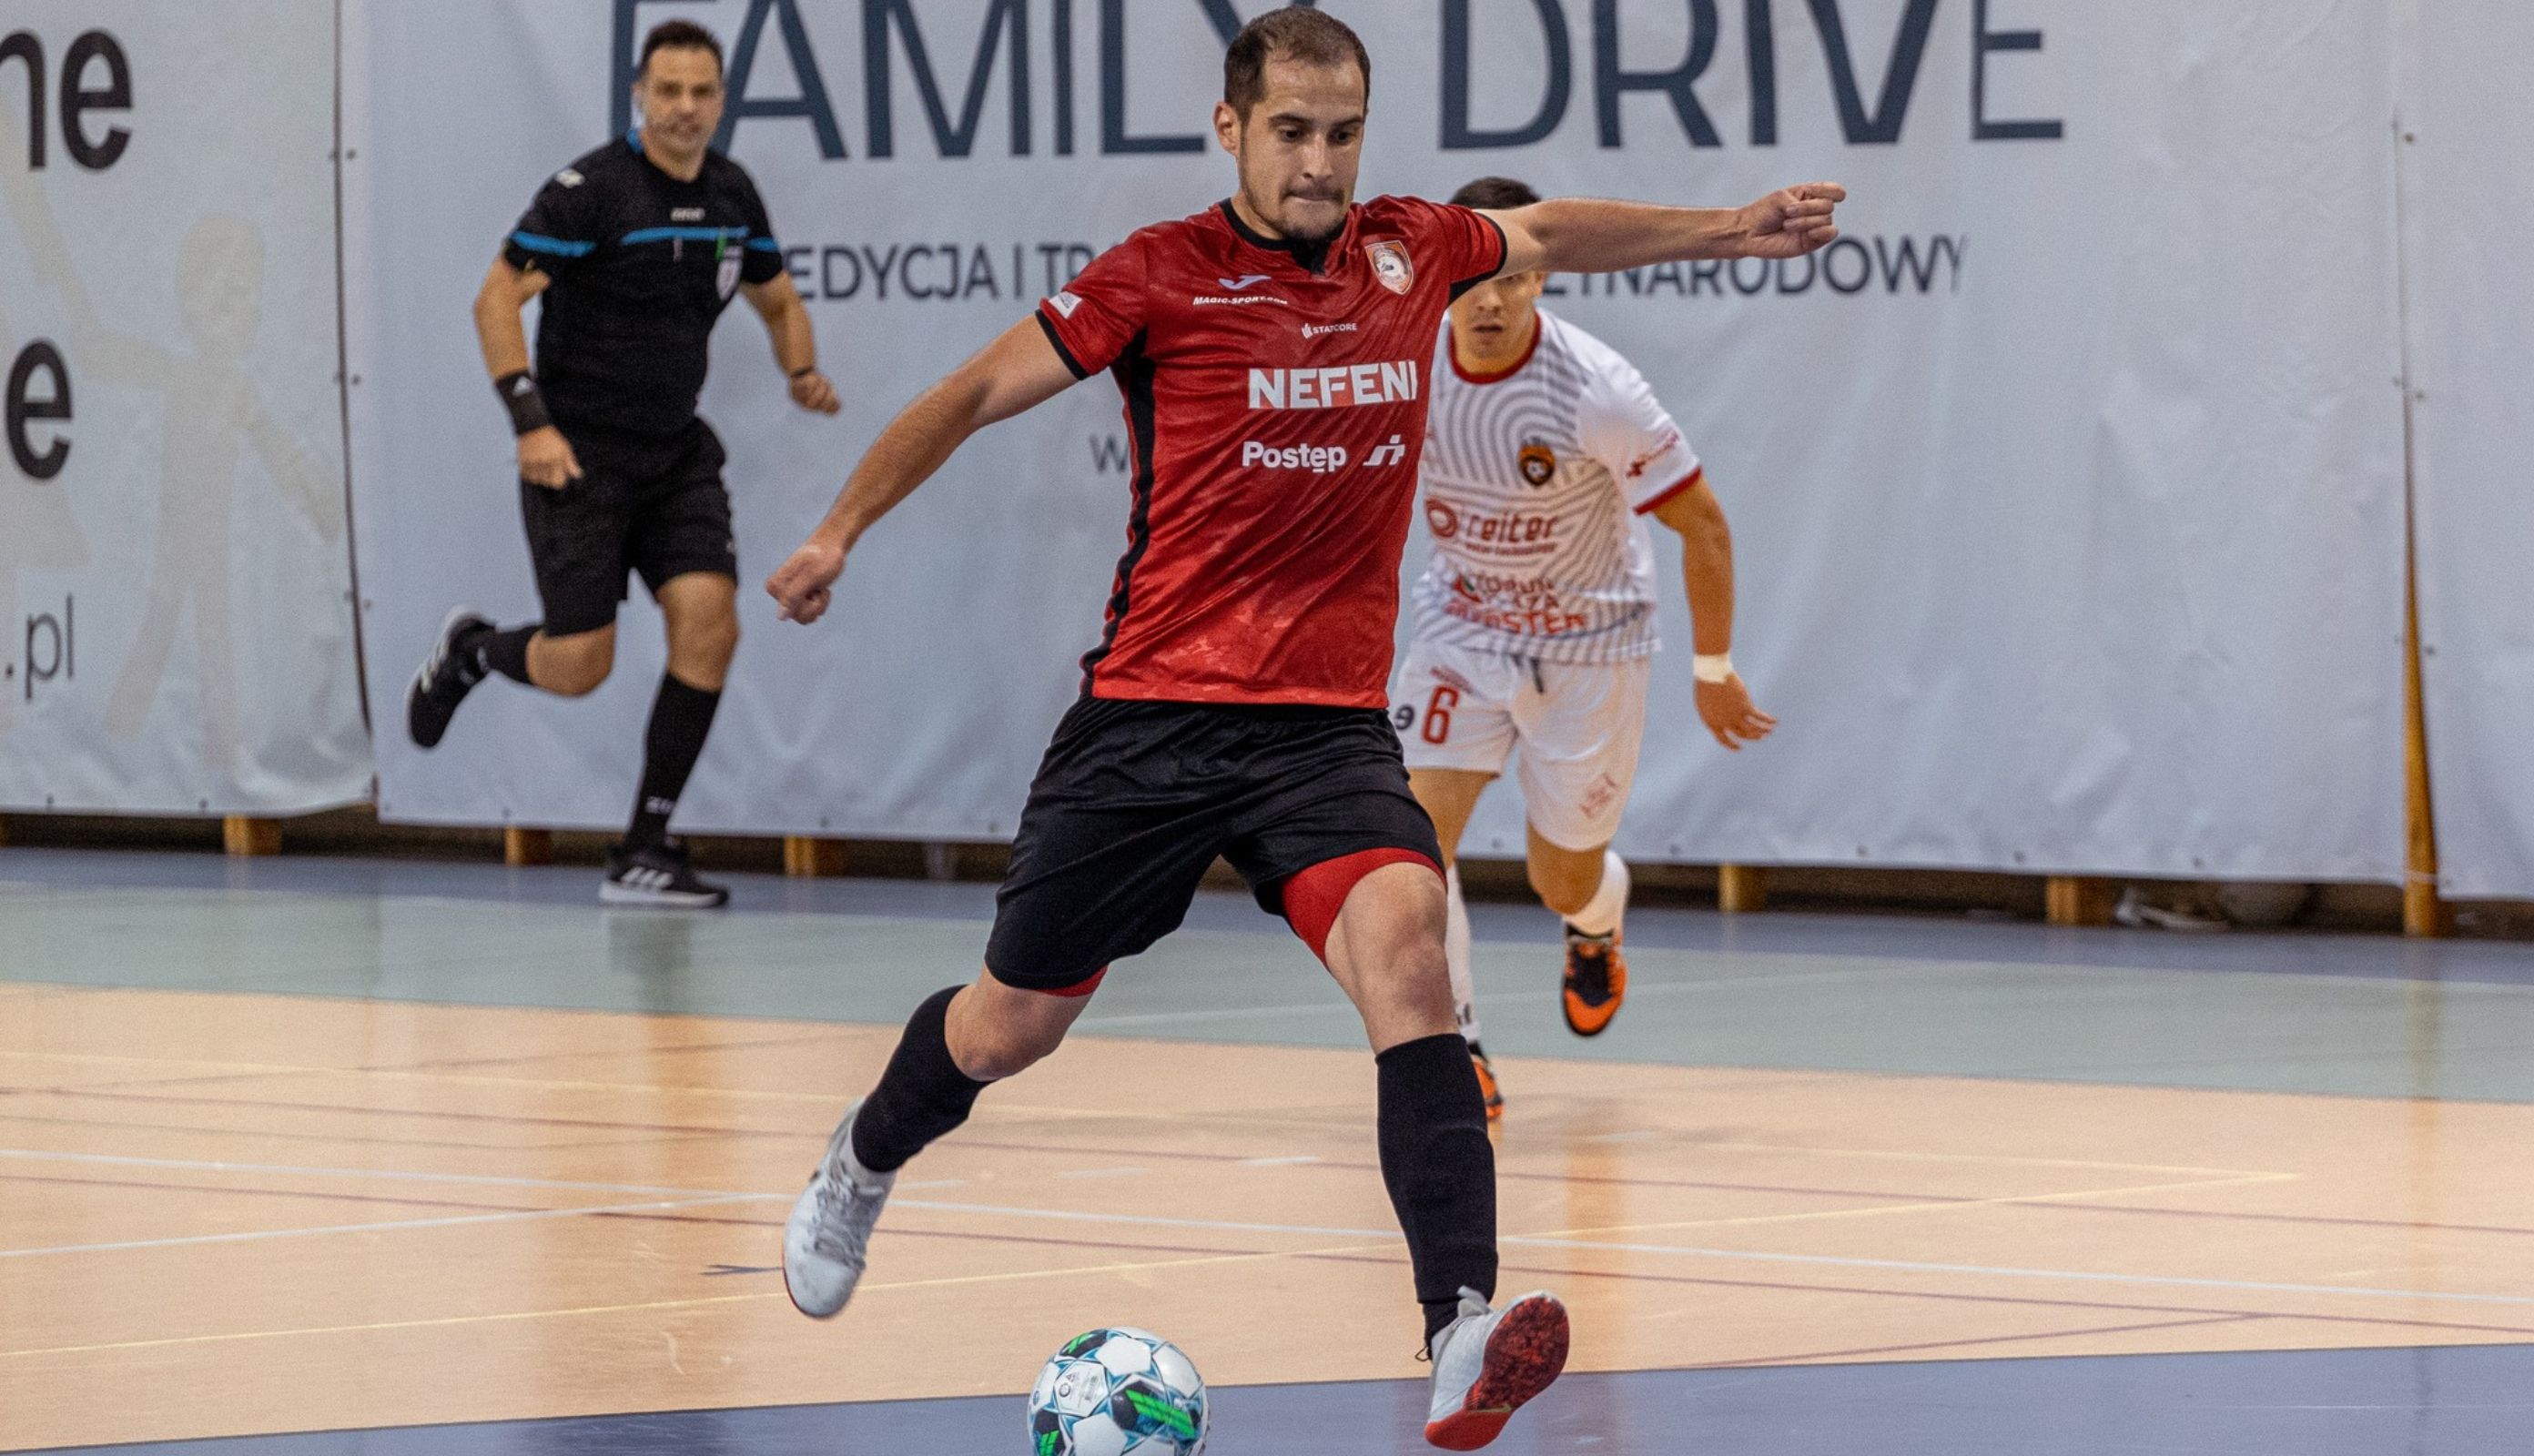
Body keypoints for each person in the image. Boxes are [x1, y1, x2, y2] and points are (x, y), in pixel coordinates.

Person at [764, 11, 1840, 1447]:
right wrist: (839, 531)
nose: (1320, 162)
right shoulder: (1158, 277)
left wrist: (1731, 223)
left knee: (1411, 952)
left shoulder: (1413, 251)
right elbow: (968, 395)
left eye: (1341, 134)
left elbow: (1556, 233)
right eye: (1291, 133)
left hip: (1324, 734)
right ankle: (862, 1155)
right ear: (1232, 129)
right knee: (1012, 1022)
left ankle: (1459, 1332)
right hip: (1151, 720)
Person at [402, 19, 839, 906]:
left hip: (675, 453)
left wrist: (801, 366)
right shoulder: (590, 192)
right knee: (582, 663)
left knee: (711, 626)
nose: (685, 108)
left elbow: (777, 295)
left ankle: (645, 846)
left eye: (701, 92)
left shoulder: (731, 191)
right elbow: (496, 297)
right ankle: (473, 653)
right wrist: (530, 420)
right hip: (578, 457)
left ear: (721, 99)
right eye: (667, 91)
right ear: (640, 95)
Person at [1394, 177, 1777, 1118]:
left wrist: (1714, 671)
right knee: (1405, 846)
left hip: (1590, 642)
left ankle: (1595, 924)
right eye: (1470, 278)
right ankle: (1457, 1046)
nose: (1488, 299)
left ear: (1543, 276)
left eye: (1512, 276)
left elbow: (1707, 526)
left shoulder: (1595, 388)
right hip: (1463, 627)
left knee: (1558, 874)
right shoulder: (1404, 364)